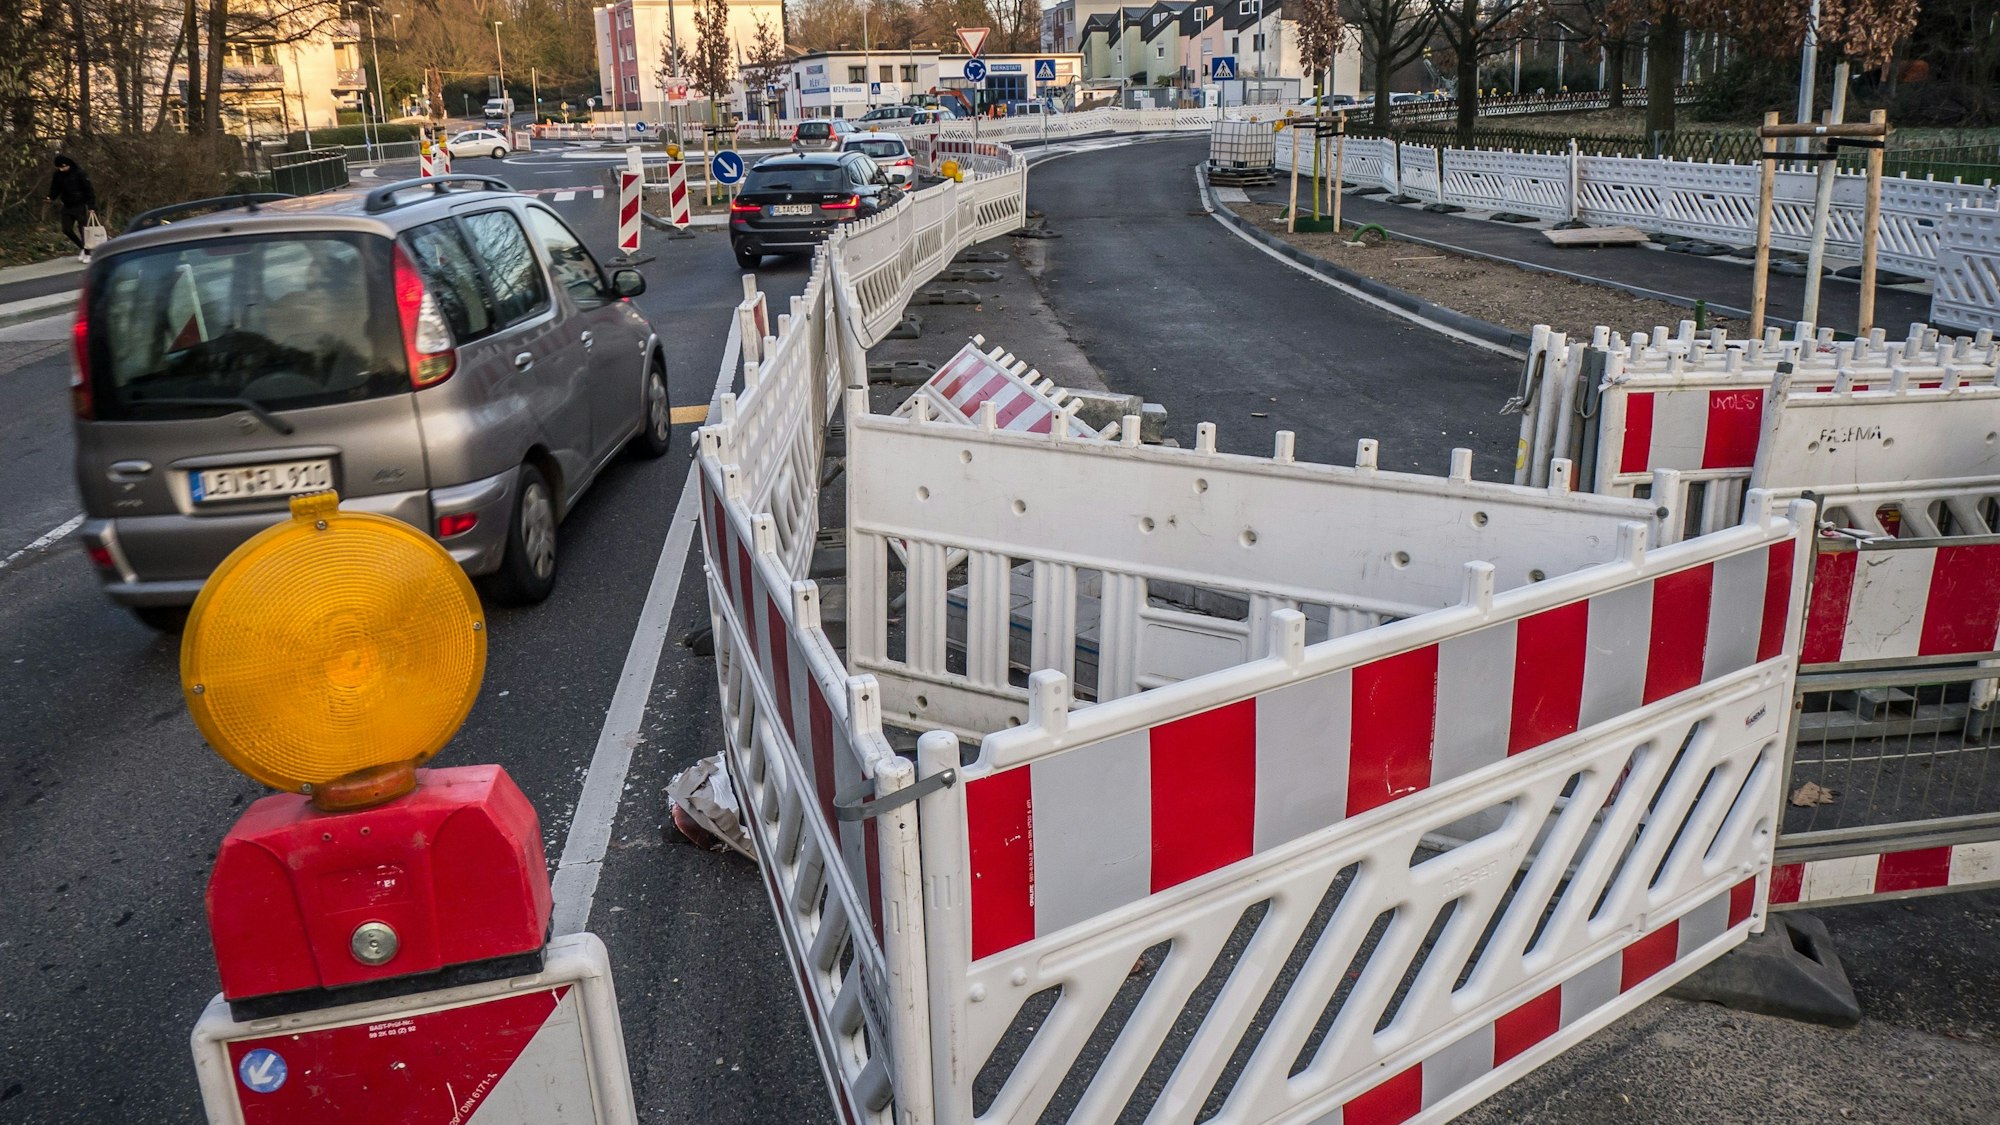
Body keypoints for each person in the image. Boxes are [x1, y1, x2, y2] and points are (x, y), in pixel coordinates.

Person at [48, 154, 98, 263]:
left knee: (83, 230)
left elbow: (89, 190)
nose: (62, 169)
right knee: (66, 229)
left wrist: (91, 206)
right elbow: (55, 188)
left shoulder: (80, 173)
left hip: (79, 205)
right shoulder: (57, 175)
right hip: (67, 205)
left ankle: (88, 253)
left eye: (64, 167)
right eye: (60, 168)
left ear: (68, 164)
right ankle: (83, 248)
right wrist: (51, 197)